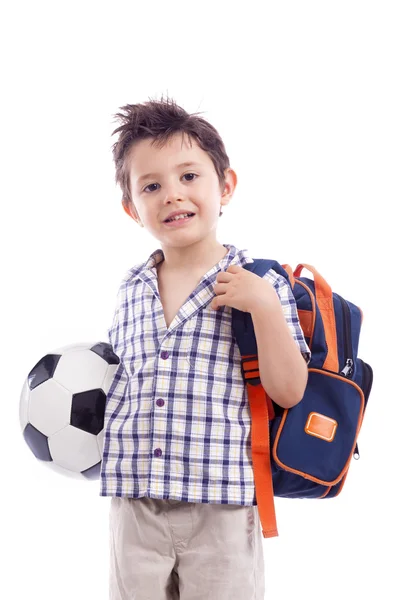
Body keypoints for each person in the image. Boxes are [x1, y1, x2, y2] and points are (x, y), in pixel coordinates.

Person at [101, 95, 311, 600]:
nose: (172, 195)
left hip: (221, 502)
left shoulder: (258, 282)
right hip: (136, 504)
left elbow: (289, 390)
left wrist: (262, 306)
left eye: (189, 176)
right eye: (152, 186)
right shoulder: (130, 290)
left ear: (226, 186)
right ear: (133, 208)